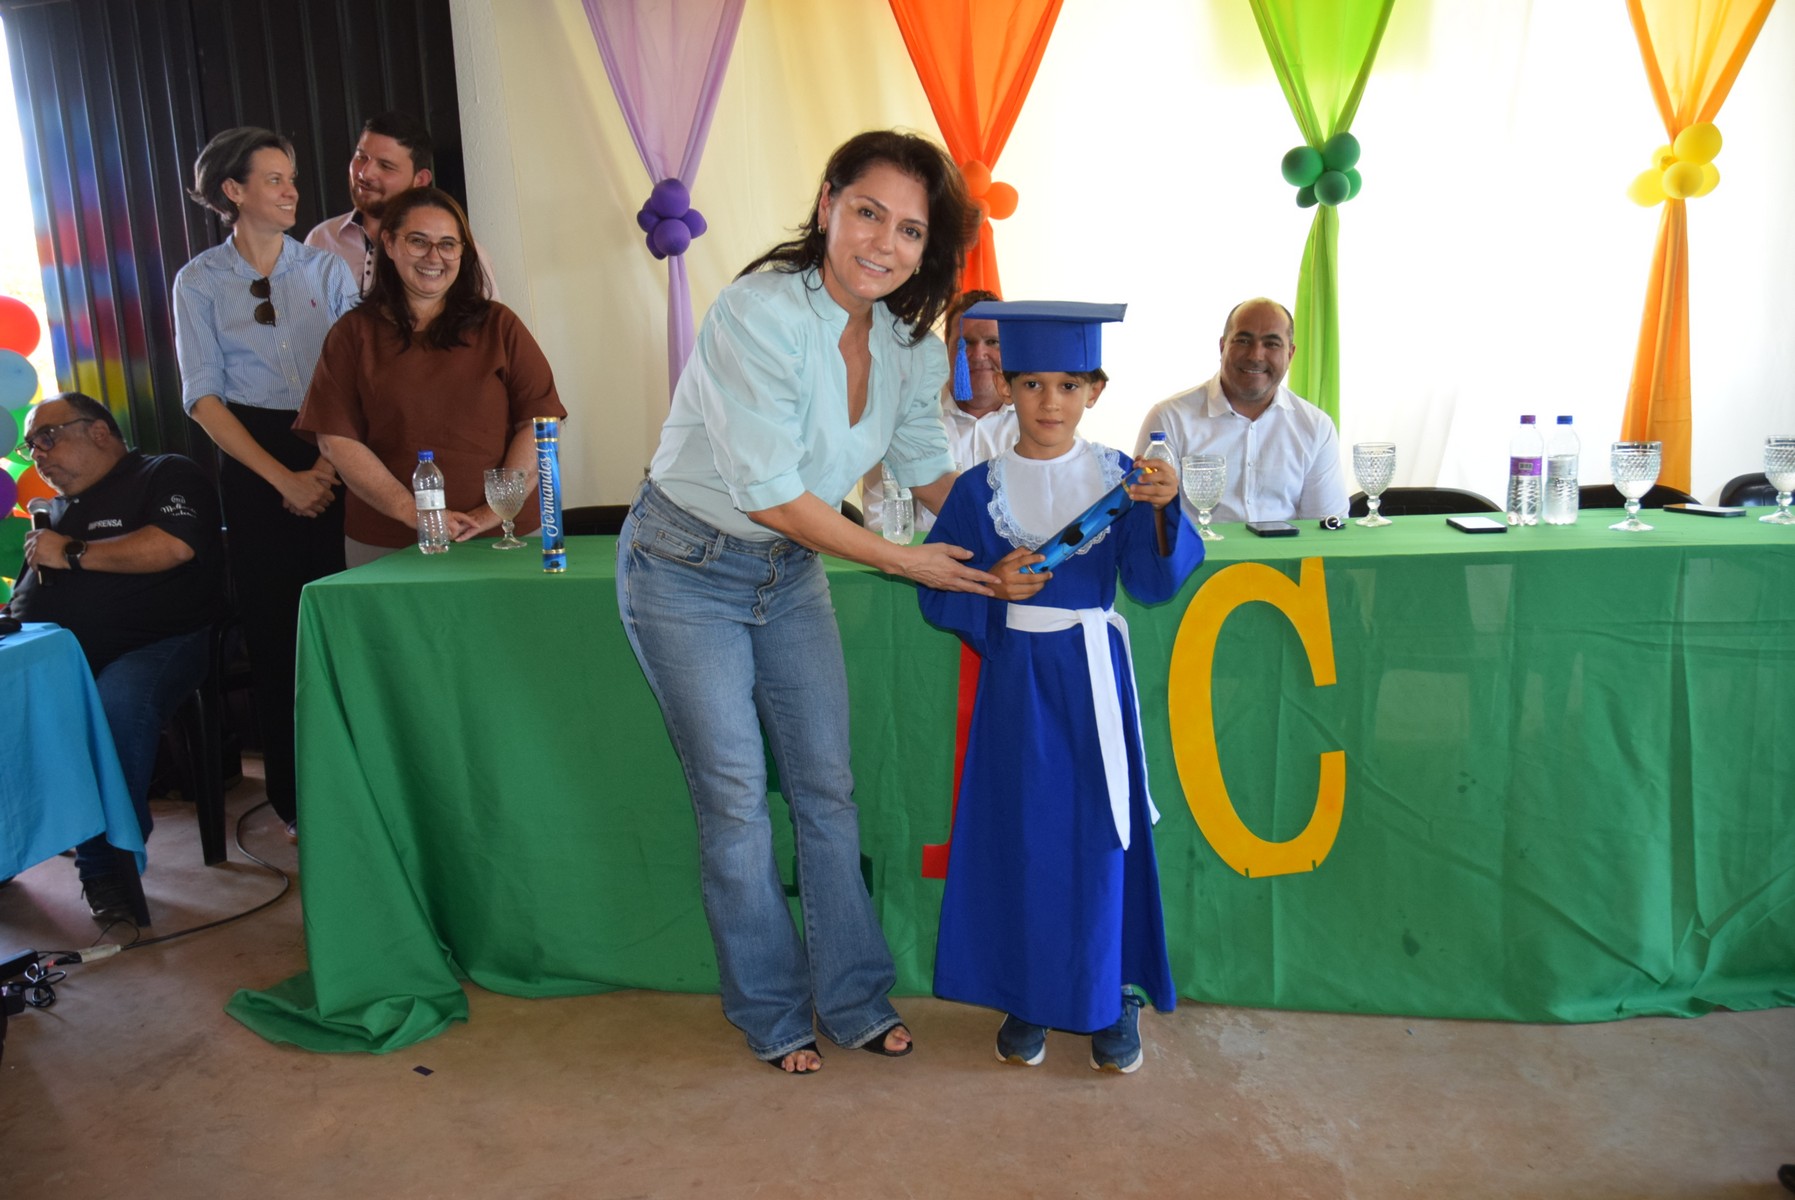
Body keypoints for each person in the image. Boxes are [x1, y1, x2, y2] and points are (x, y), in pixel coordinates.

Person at [617, 129, 996, 1074]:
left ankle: (855, 995)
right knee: (738, 799)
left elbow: (923, 467)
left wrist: (1014, 536)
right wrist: (907, 563)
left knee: (828, 791)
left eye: (910, 231)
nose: (884, 243)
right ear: (827, 203)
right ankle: (770, 1008)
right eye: (868, 212)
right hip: (684, 568)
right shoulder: (757, 312)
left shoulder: (907, 337)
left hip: (788, 573)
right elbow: (770, 495)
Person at [918, 301, 1202, 1074]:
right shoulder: (979, 490)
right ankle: (1029, 990)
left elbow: (1151, 579)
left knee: (1100, 834)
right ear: (1006, 388)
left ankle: (1109, 995)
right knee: (1025, 831)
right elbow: (935, 582)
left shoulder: (1122, 479)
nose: (1050, 402)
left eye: (1068, 386)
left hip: (1093, 681)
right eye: (1033, 384)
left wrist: (1166, 507)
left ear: (1095, 392)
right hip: (1018, 684)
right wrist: (987, 585)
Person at [174, 126, 359, 841]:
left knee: (342, 624)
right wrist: (284, 476)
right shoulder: (198, 280)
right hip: (253, 463)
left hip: (335, 449)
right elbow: (204, 398)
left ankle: (358, 782)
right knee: (278, 635)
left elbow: (353, 378)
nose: (291, 191)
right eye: (275, 179)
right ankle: (295, 801)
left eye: (291, 178)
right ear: (235, 191)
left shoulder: (326, 271)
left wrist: (326, 468)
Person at [3, 394, 224, 921]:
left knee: (112, 707)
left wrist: (73, 552)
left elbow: (174, 546)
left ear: (99, 431)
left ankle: (106, 870)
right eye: (30, 446)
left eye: (47, 438)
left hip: (156, 644)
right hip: (55, 658)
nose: (38, 454)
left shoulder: (163, 474)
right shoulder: (53, 511)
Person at [296, 187, 563, 565]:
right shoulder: (352, 334)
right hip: (388, 542)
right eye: (418, 241)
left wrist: (491, 513)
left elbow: (540, 425)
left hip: (505, 537)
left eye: (448, 244)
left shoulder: (500, 326)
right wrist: (414, 513)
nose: (434, 257)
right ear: (388, 243)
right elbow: (336, 441)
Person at [1135, 296, 1347, 525]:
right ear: (1222, 346)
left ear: (1290, 354)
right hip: (1199, 559)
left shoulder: (1316, 427)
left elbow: (1325, 525)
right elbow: (1145, 517)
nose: (1255, 355)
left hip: (1285, 560)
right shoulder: (1169, 419)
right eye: (1244, 341)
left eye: (1272, 344)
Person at [860, 287, 1016, 534]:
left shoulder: (1035, 422)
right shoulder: (908, 414)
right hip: (924, 563)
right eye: (965, 343)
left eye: (993, 342)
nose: (978, 354)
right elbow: (880, 517)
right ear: (946, 348)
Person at [304, 111, 499, 299]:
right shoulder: (321, 240)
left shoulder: (458, 255)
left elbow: (488, 329)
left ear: (420, 179)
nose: (365, 173)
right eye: (361, 157)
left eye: (386, 166)